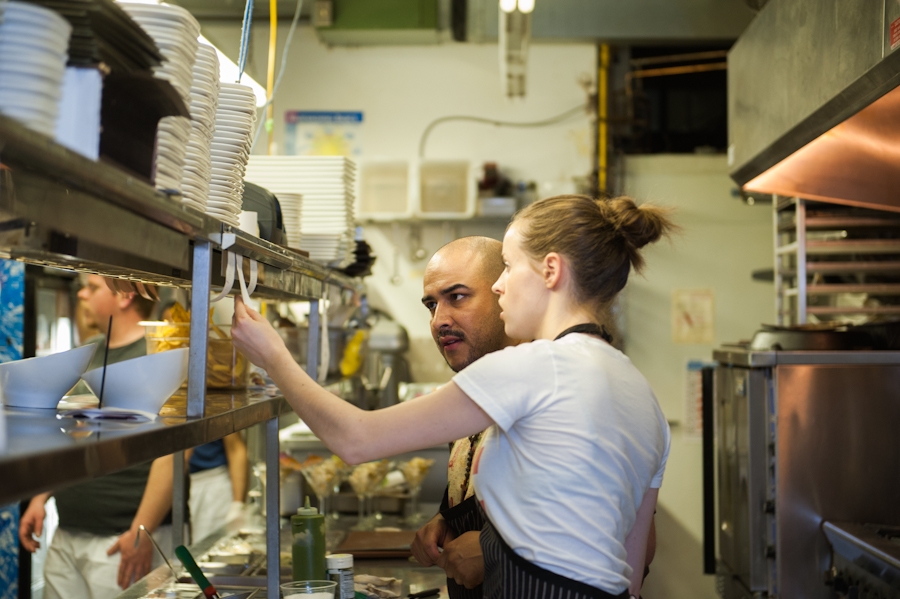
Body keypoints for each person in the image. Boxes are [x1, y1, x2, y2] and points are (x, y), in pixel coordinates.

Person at [231, 194, 673, 599]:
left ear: (551, 271)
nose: (500, 285)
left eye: (509, 266)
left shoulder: (534, 367)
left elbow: (355, 439)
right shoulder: (637, 390)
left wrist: (273, 357)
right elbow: (632, 570)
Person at [19, 275, 175, 599]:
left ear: (125, 294)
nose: (82, 294)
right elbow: (75, 433)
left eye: (92, 287)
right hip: (67, 532)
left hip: (122, 540)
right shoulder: (88, 354)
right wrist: (41, 495)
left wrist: (142, 531)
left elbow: (174, 452)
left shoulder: (158, 353)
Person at [413, 236, 517, 599]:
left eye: (457, 297)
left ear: (505, 293)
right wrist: (446, 519)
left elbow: (629, 543)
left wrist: (496, 553)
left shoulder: (543, 392)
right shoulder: (472, 392)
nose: (439, 320)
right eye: (431, 305)